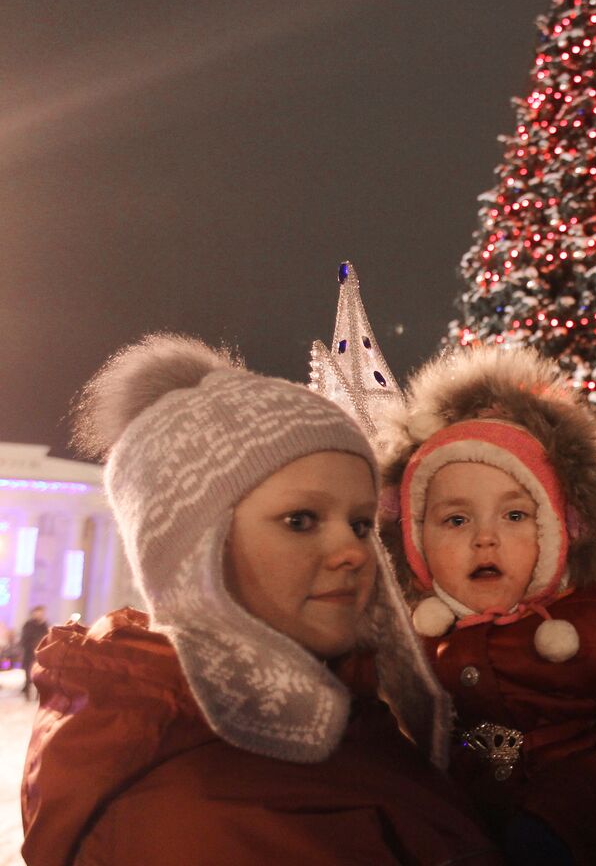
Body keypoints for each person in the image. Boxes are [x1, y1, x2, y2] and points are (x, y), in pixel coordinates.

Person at [22, 334, 498, 866]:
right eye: (300, 520)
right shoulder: (202, 812)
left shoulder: (340, 711)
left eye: (360, 523)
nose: (353, 551)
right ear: (190, 547)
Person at [374, 344, 596, 866]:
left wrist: (570, 820)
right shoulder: (401, 630)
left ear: (563, 527)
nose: (484, 540)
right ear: (415, 539)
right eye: (456, 520)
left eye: (515, 515)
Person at [19, 604, 48, 700]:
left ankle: (38, 696)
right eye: (38, 612)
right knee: (28, 676)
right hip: (29, 654)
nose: (40, 615)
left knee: (40, 677)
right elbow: (24, 639)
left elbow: (47, 638)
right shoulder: (28, 625)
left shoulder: (44, 625)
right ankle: (27, 695)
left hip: (40, 655)